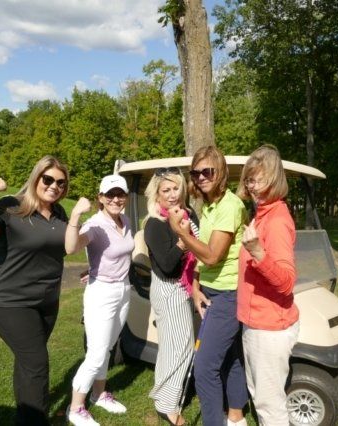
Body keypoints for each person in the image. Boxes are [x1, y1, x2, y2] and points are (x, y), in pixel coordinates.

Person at [0, 155, 70, 425]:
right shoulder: (12, 206)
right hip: (11, 302)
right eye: (48, 179)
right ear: (36, 177)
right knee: (36, 363)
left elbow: (62, 250)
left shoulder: (59, 213)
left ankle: (24, 417)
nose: (54, 186)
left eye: (60, 182)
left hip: (46, 302)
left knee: (28, 362)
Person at [169, 146, 248, 426]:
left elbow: (213, 254)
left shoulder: (229, 206)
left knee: (204, 367)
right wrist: (197, 286)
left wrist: (181, 232)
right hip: (214, 291)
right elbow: (203, 256)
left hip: (228, 295)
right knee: (231, 358)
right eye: (196, 172)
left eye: (208, 171)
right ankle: (237, 417)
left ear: (221, 173)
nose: (201, 177)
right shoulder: (209, 206)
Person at [64, 174, 135, 426]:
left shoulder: (124, 219)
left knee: (108, 346)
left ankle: (99, 394)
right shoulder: (94, 224)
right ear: (101, 198)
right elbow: (71, 247)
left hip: (123, 290)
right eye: (110, 195)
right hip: (101, 293)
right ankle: (75, 408)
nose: (116, 199)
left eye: (120, 194)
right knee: (95, 354)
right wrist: (74, 217)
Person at [236, 145, 299, 425]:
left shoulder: (276, 220)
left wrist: (258, 252)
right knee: (260, 396)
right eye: (249, 179)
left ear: (274, 180)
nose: (252, 186)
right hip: (256, 322)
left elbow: (286, 282)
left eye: (258, 180)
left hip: (269, 327)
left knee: (270, 406)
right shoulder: (261, 214)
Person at [143, 167, 199, 426]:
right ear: (157, 194)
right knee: (181, 348)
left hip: (186, 284)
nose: (173, 194)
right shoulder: (155, 224)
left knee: (173, 345)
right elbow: (166, 264)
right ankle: (168, 404)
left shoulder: (189, 213)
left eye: (176, 188)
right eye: (166, 190)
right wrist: (182, 239)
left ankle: (164, 398)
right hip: (169, 286)